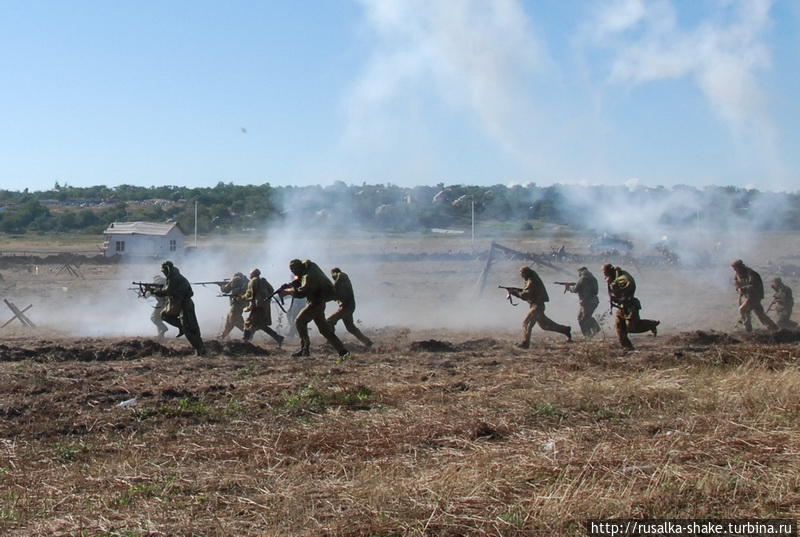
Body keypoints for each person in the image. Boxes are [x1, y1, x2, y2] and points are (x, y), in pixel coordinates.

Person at [281, 259, 349, 359]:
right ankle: (342, 351)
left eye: (293, 269)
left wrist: (287, 292)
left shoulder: (308, 276)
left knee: (299, 321)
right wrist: (291, 285)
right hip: (318, 303)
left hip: (315, 304)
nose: (293, 272)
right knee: (325, 330)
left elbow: (302, 292)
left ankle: (305, 349)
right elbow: (301, 282)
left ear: (299, 268)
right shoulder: (308, 270)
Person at [508, 266, 571, 349]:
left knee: (526, 323)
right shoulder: (532, 279)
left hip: (536, 306)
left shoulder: (531, 281)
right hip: (537, 305)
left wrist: (514, 292)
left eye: (522, 273)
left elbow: (526, 295)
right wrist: (516, 290)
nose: (521, 275)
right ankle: (565, 330)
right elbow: (528, 292)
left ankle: (525, 343)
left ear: (526, 273)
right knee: (544, 325)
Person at [602, 264, 659, 351]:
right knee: (619, 328)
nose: (604, 274)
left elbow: (627, 289)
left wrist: (613, 285)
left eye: (604, 272)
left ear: (609, 271)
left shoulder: (623, 278)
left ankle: (651, 324)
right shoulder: (614, 278)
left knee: (632, 328)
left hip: (630, 306)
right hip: (622, 307)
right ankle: (627, 347)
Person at [153, 260, 205, 356]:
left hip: (184, 304)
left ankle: (200, 349)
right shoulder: (175, 277)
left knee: (189, 328)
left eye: (164, 271)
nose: (163, 273)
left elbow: (167, 290)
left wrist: (155, 291)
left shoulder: (173, 278)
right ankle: (182, 328)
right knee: (164, 315)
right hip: (180, 304)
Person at [327, 267, 373, 348]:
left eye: (332, 275)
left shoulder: (342, 275)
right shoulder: (342, 283)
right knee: (350, 327)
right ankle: (367, 342)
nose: (332, 277)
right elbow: (335, 295)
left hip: (346, 307)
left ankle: (332, 342)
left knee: (329, 321)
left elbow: (338, 279)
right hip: (348, 307)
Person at [731, 259, 778, 332]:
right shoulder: (738, 274)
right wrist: (738, 289)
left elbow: (755, 285)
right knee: (760, 314)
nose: (734, 270)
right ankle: (774, 328)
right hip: (748, 296)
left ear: (740, 267)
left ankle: (748, 330)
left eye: (735, 268)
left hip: (755, 296)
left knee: (743, 310)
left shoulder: (751, 274)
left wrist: (744, 288)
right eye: (734, 268)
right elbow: (737, 284)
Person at [241, 268, 284, 346]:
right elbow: (272, 290)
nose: (250, 275)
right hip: (265, 306)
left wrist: (241, 297)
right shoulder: (264, 281)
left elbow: (249, 294)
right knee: (260, 325)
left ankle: (245, 341)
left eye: (250, 274)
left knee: (248, 322)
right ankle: (278, 338)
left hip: (257, 306)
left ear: (253, 274)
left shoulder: (253, 281)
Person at [568, 266, 601, 339]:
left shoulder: (583, 278)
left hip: (586, 302)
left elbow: (575, 289)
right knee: (585, 318)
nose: (578, 274)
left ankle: (588, 334)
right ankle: (591, 331)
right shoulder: (593, 278)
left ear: (581, 271)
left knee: (582, 319)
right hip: (593, 301)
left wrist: (569, 288)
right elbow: (596, 291)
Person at [218, 272, 248, 339]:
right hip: (242, 303)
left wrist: (221, 285)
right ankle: (223, 335)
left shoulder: (235, 279)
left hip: (237, 303)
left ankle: (247, 333)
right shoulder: (246, 282)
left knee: (234, 318)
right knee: (230, 318)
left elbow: (225, 290)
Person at [149, 274, 168, 340]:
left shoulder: (156, 283)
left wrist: (146, 291)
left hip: (162, 304)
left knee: (153, 318)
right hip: (169, 303)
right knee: (158, 319)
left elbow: (150, 294)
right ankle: (160, 335)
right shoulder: (167, 282)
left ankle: (164, 328)